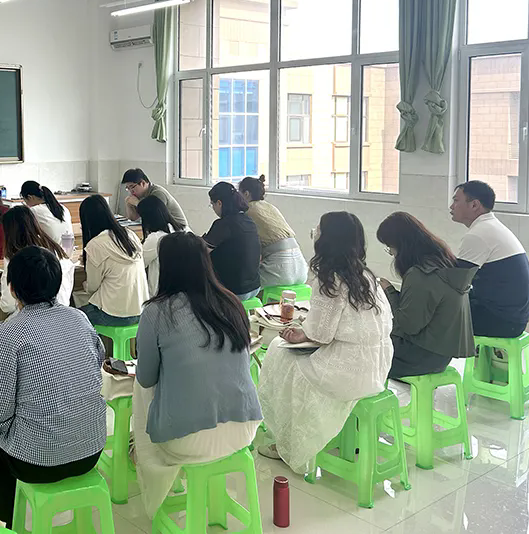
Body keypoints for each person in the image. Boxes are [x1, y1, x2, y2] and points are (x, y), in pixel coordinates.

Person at [133, 232, 263, 517]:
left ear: (166, 266)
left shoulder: (157, 312)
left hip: (187, 441)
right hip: (245, 428)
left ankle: (146, 465)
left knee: (139, 390)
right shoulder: (232, 302)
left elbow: (146, 378)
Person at [0, 246, 106, 524]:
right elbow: (96, 364)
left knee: (0, 441)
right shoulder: (80, 319)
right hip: (91, 450)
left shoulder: (6, 335)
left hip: (37, 462)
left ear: (12, 289)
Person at [256, 212, 392, 473]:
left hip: (347, 371)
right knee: (291, 360)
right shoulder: (367, 276)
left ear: (326, 240)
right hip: (378, 366)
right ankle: (315, 436)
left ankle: (289, 443)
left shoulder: (329, 279)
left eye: (318, 230)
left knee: (279, 354)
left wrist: (301, 333)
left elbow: (320, 334)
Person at [377, 212, 477, 379]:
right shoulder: (442, 262)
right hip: (439, 356)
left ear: (402, 246)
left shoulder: (421, 274)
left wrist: (389, 291)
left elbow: (408, 325)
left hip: (418, 358)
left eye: (390, 248)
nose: (392, 254)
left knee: (362, 349)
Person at [0, 206, 76, 360]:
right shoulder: (56, 249)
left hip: (30, 326)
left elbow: (7, 306)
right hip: (60, 321)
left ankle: (3, 371)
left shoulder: (15, 258)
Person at [450, 181, 529, 338]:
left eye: (456, 200)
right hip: (514, 318)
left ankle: (423, 355)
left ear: (474, 205)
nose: (451, 206)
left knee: (435, 312)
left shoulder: (478, 234)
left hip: (501, 322)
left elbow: (455, 283)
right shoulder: (491, 227)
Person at [77, 194, 149, 327]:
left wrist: (85, 284)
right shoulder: (129, 235)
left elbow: (92, 288)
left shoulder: (95, 245)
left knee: (74, 316)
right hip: (141, 310)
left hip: (113, 314)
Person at [238, 175, 308, 288]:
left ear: (246, 194)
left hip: (280, 269)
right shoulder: (270, 207)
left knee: (241, 284)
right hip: (301, 268)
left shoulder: (247, 211)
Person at [203, 182, 261, 301]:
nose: (213, 208)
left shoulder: (224, 224)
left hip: (233, 290)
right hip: (254, 287)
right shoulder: (248, 220)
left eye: (212, 204)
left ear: (219, 203)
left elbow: (202, 249)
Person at [137, 196, 184, 296]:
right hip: (180, 290)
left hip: (158, 292)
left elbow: (139, 263)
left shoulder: (155, 238)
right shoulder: (183, 230)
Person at [122, 168, 188, 229]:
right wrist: (129, 205)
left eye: (132, 187)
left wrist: (138, 203)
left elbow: (154, 217)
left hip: (178, 229)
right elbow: (133, 219)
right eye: (128, 188)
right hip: (165, 228)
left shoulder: (157, 193)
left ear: (143, 183)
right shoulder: (140, 195)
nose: (131, 191)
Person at [19, 181, 73, 246]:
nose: (26, 204)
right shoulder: (63, 208)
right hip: (69, 249)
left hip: (52, 251)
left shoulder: (34, 210)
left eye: (25, 201)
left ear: (30, 197)